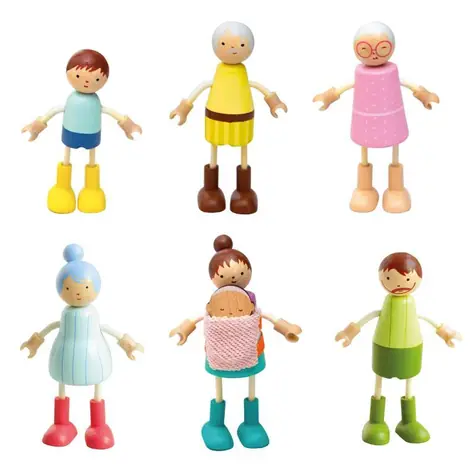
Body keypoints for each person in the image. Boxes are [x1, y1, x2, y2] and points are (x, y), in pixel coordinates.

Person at [169, 235, 302, 451]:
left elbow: (268, 316)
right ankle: (216, 424)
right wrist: (183, 329)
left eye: (240, 273)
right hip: (218, 354)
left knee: (251, 387)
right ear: (214, 277)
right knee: (219, 389)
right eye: (224, 275)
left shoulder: (251, 304)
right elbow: (198, 318)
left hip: (250, 352)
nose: (233, 278)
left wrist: (286, 328)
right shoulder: (214, 305)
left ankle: (251, 424)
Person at [21, 244, 143, 449]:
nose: (77, 293)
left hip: (95, 357)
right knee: (61, 388)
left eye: (85, 288)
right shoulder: (66, 315)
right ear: (61, 290)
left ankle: (98, 426)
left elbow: (109, 330)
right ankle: (62, 424)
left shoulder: (92, 314)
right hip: (64, 356)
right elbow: (49, 328)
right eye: (69, 288)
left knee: (97, 390)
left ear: (95, 287)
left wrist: (128, 345)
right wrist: (34, 343)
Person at [335, 252, 461, 445]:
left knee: (409, 384)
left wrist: (446, 333)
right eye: (389, 279)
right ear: (381, 278)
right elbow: (368, 318)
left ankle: (408, 422)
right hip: (383, 347)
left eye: (408, 279)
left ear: (417, 279)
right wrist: (348, 333)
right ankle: (376, 421)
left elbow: (430, 320)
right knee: (379, 382)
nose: (400, 284)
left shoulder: (411, 304)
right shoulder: (387, 304)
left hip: (410, 347)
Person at [313, 22, 439, 213]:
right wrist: (328, 97)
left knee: (395, 152)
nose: (373, 54)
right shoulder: (361, 73)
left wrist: (425, 96)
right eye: (365, 49)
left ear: (391, 47)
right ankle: (364, 189)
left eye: (381, 48)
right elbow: (342, 88)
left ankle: (396, 189)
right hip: (364, 120)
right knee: (364, 153)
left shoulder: (391, 71)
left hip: (392, 118)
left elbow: (409, 85)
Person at [170, 22, 287, 214]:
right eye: (225, 44)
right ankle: (210, 190)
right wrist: (183, 109)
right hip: (216, 118)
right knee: (214, 152)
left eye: (241, 45)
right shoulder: (219, 74)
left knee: (243, 153)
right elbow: (201, 87)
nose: (233, 48)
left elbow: (260, 88)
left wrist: (275, 103)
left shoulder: (243, 75)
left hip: (242, 120)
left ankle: (244, 192)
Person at [22, 49, 142, 214]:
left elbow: (111, 113)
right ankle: (63, 187)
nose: (86, 82)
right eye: (78, 76)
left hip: (91, 135)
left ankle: (92, 189)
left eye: (96, 79)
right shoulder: (72, 100)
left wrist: (127, 125)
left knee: (91, 160)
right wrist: (37, 126)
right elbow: (53, 111)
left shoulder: (95, 102)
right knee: (66, 158)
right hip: (70, 133)